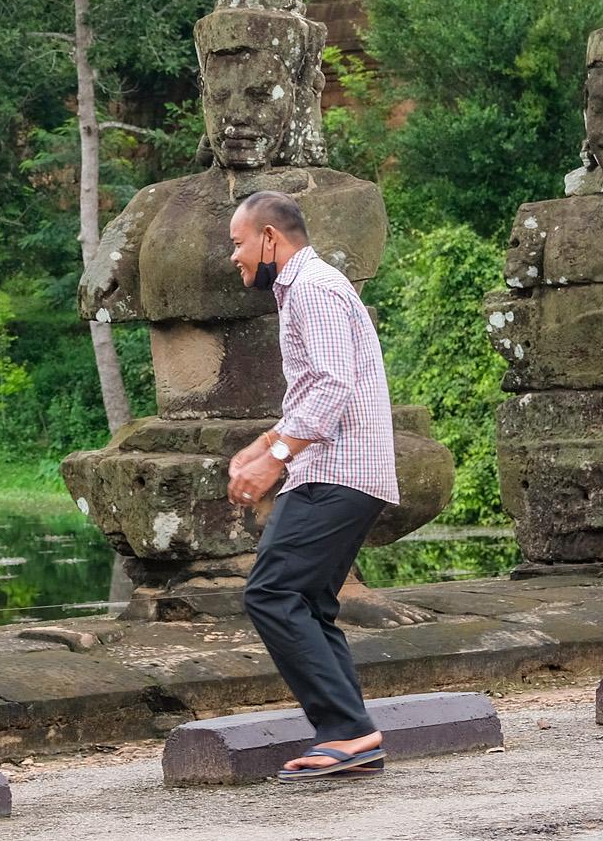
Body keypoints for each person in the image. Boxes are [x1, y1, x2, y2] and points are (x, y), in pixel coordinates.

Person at [224, 188, 399, 782]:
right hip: (346, 469)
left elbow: (332, 384)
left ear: (270, 238)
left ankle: (347, 731)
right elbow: (316, 389)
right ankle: (352, 735)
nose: (235, 256)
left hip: (337, 471)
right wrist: (264, 443)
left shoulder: (313, 288)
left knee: (271, 594)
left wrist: (275, 459)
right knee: (308, 604)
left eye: (239, 243)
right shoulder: (310, 287)